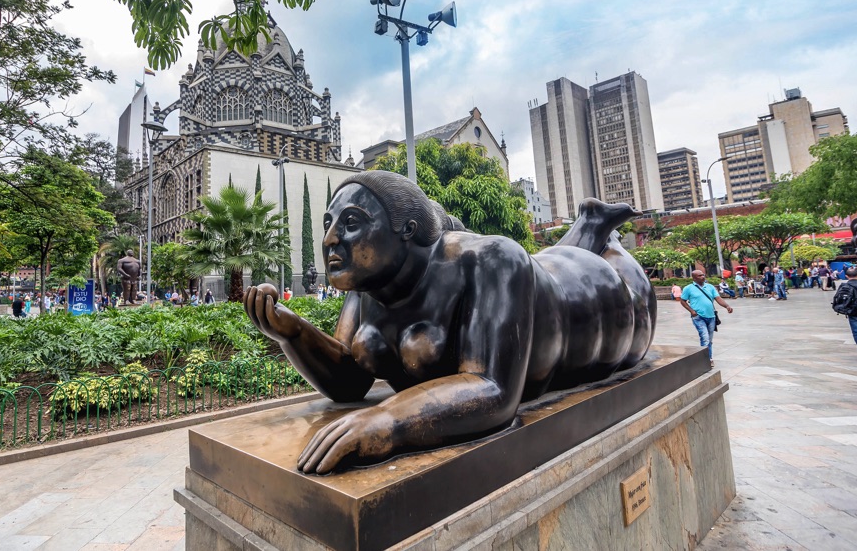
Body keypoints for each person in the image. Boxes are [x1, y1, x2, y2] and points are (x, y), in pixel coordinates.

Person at [243, 170, 656, 474]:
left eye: (351, 223)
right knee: (547, 264)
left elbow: (494, 390)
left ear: (405, 230)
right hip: (550, 279)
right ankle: (590, 222)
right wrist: (292, 332)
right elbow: (349, 381)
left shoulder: (491, 257)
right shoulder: (367, 286)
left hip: (609, 303)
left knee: (614, 285)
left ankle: (602, 230)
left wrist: (388, 421)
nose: (331, 238)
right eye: (328, 224)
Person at [679, 270, 734, 366]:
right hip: (698, 317)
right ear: (694, 278)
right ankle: (707, 360)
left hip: (711, 316)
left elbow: (718, 298)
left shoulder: (710, 287)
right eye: (699, 276)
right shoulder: (689, 288)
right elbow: (682, 301)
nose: (703, 277)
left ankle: (708, 356)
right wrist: (692, 311)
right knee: (705, 338)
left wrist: (727, 306)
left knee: (709, 340)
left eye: (703, 275)